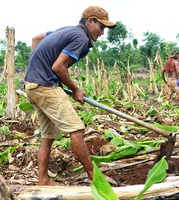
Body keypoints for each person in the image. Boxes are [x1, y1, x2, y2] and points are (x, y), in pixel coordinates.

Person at [24, 6, 116, 186]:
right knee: (76, 129)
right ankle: (94, 177)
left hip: (32, 86)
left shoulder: (65, 30)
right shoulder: (80, 37)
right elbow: (58, 67)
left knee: (47, 135)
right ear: (90, 21)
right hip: (45, 86)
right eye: (101, 27)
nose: (102, 33)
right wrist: (75, 89)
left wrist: (35, 67)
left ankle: (43, 180)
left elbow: (36, 39)